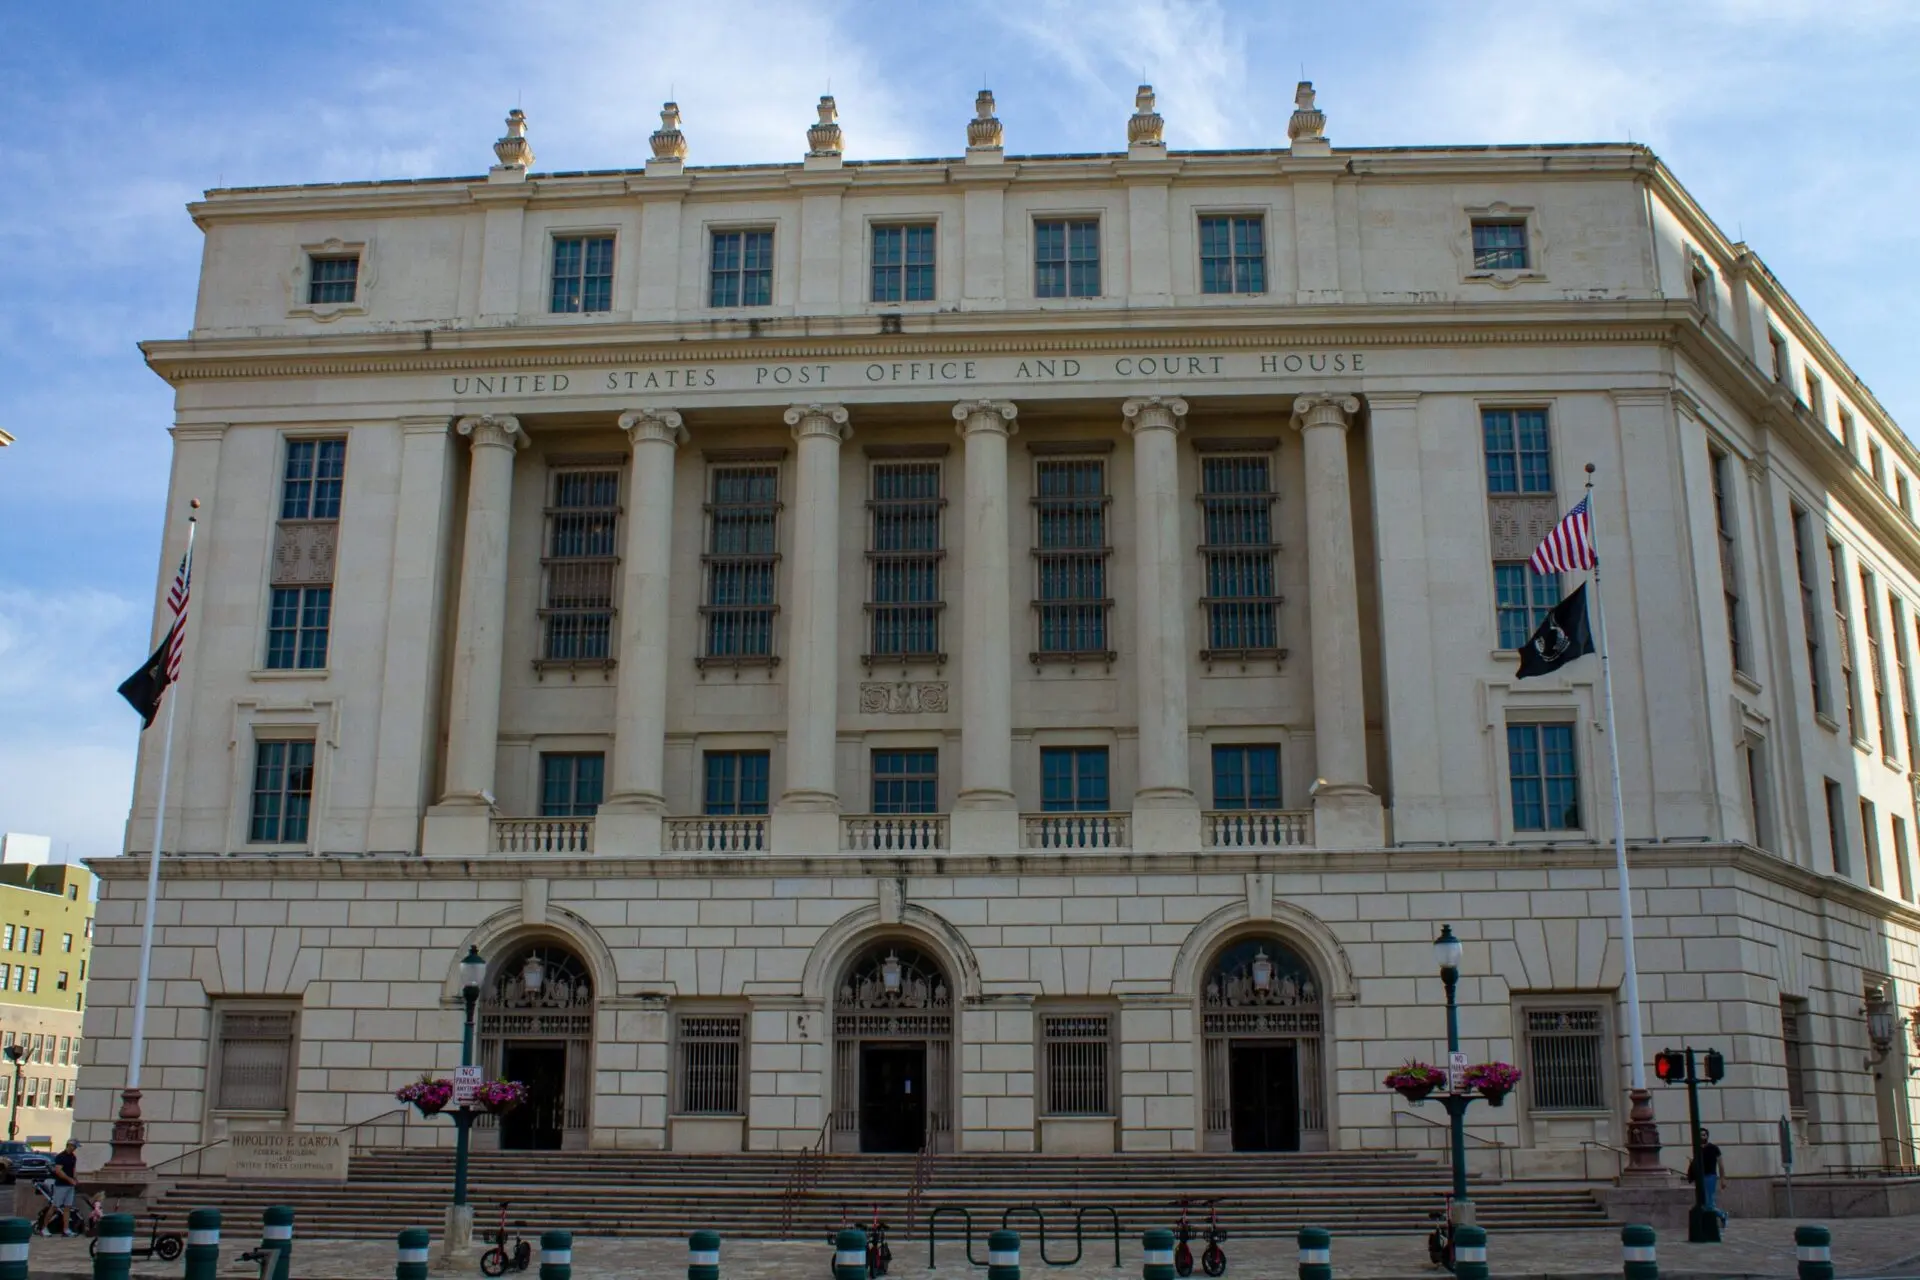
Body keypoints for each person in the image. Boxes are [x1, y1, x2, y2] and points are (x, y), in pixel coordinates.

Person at [1696, 1129, 1729, 1228]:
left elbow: (1721, 1164)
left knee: (1709, 1202)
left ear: (1707, 1136)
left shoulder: (1714, 1148)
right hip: (1700, 1177)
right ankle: (1716, 1217)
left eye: (1704, 1135)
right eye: (1700, 1135)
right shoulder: (1697, 1149)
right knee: (1705, 1201)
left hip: (1710, 1176)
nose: (1702, 1137)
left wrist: (1723, 1178)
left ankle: (1722, 1214)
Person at [47, 1140, 79, 1236]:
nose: (75, 1148)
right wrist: (70, 1180)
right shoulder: (61, 1157)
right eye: (74, 1146)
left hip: (70, 1186)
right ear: (69, 1145)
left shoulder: (73, 1157)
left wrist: (75, 1179)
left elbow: (73, 1170)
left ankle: (66, 1229)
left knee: (67, 1207)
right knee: (55, 1206)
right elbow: (58, 1171)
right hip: (61, 1185)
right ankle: (44, 1228)